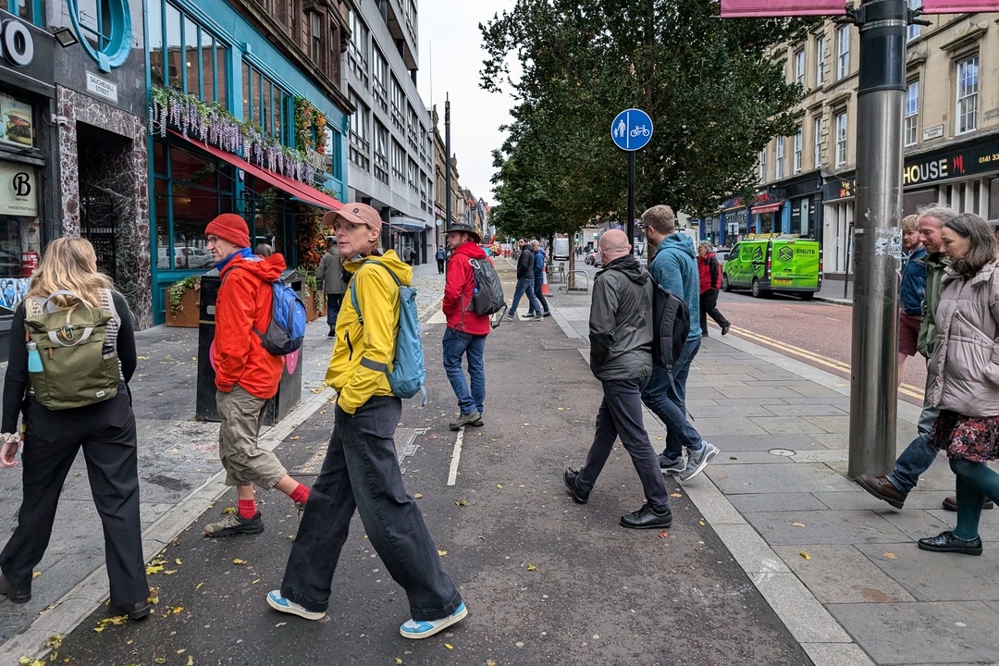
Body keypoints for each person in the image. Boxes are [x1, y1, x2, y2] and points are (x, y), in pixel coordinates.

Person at [267, 203, 467, 638]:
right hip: (362, 403)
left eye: (352, 226)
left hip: (366, 404)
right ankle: (304, 592)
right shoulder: (371, 271)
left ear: (373, 234)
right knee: (330, 499)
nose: (340, 232)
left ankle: (439, 602)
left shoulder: (373, 277)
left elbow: (377, 352)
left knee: (384, 506)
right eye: (337, 226)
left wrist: (349, 398)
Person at [0, 238, 150, 620]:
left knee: (39, 499)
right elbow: (128, 361)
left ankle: (17, 578)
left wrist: (9, 432)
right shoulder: (111, 302)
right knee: (119, 501)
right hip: (109, 414)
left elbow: (16, 375)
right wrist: (111, 392)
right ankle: (131, 596)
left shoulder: (30, 308)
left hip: (49, 419)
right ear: (89, 261)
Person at [857, 205, 992, 512]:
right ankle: (969, 519)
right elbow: (934, 313)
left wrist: (989, 370)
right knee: (962, 440)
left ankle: (900, 483)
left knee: (937, 427)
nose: (923, 239)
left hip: (970, 370)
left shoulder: (976, 273)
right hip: (950, 362)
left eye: (933, 234)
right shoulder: (939, 266)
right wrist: (934, 347)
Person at [201, 214, 312, 537]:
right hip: (264, 373)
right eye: (208, 240)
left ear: (235, 241)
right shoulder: (257, 270)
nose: (209, 246)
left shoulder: (237, 278)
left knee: (243, 450)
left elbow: (233, 341)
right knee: (232, 446)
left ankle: (307, 498)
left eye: (215, 240)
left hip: (244, 378)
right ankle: (247, 514)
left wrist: (224, 380)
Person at [563, 230, 673, 529]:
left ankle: (660, 507)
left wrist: (599, 366)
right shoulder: (644, 276)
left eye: (599, 251)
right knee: (606, 427)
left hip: (620, 368)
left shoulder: (608, 280)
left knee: (635, 438)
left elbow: (600, 330)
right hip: (642, 364)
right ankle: (583, 483)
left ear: (602, 251)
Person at [917, 213, 999, 556]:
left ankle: (966, 533)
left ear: (973, 240)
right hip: (955, 387)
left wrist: (991, 372)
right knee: (963, 458)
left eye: (950, 242)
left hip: (982, 389)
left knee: (964, 461)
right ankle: (965, 535)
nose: (944, 248)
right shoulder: (954, 278)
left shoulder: (993, 279)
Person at [639, 205, 719, 481]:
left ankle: (697, 445)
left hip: (676, 340)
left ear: (651, 230)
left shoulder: (665, 259)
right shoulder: (684, 250)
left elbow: (670, 307)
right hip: (691, 335)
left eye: (643, 229)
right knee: (674, 396)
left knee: (652, 393)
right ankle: (673, 456)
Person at [442, 223, 490, 431]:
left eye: (453, 236)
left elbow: (452, 292)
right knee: (476, 366)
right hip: (481, 320)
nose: (449, 240)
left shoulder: (459, 259)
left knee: (452, 364)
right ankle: (476, 411)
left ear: (465, 238)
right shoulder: (483, 258)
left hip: (461, 321)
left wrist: (446, 311)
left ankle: (468, 408)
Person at [897, 214, 926, 387]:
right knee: (896, 358)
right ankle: (889, 398)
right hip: (907, 313)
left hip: (922, 316)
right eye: (903, 233)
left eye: (910, 233)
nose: (906, 237)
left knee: (934, 363)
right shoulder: (912, 255)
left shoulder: (926, 257)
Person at [315, 234, 348, 338]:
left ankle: (332, 324)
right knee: (344, 307)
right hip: (344, 286)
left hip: (331, 287)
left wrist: (319, 286)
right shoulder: (345, 255)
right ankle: (343, 326)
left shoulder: (326, 257)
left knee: (332, 306)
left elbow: (320, 272)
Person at [697, 241, 730, 336]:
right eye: (699, 247)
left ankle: (724, 323)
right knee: (701, 309)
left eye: (701, 247)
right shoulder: (699, 260)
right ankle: (703, 331)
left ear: (707, 249)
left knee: (710, 308)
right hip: (701, 289)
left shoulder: (712, 260)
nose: (699, 249)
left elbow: (717, 275)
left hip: (710, 289)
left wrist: (714, 287)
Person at [505, 238, 543, 321]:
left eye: (521, 242)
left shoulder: (525, 252)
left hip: (525, 277)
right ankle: (539, 313)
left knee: (517, 296)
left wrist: (519, 273)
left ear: (526, 243)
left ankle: (510, 314)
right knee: (532, 296)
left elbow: (524, 266)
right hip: (530, 276)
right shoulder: (531, 251)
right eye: (519, 242)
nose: (520, 244)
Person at [531, 240, 551, 317]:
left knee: (533, 295)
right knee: (538, 294)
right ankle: (546, 310)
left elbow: (539, 267)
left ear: (538, 245)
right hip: (538, 277)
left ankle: (533, 311)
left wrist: (533, 272)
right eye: (532, 245)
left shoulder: (538, 255)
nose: (532, 247)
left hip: (537, 277)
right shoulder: (537, 254)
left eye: (534, 246)